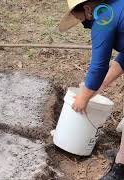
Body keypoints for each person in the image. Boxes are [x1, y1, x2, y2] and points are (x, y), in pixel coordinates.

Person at [59, 0, 124, 179]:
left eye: (82, 21)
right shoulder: (118, 8)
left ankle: (121, 168)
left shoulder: (104, 19)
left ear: (88, 9)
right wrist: (100, 85)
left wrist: (82, 99)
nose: (85, 25)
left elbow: (98, 66)